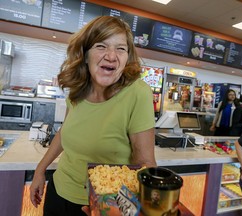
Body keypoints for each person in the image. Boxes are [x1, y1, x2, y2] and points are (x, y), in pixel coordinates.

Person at [30, 16, 157, 216]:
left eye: (121, 49)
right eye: (101, 46)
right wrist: (40, 170)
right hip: (58, 191)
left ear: (127, 58)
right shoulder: (78, 89)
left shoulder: (138, 93)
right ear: (85, 53)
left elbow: (145, 163)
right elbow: (65, 132)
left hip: (105, 203)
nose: (111, 56)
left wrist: (124, 210)